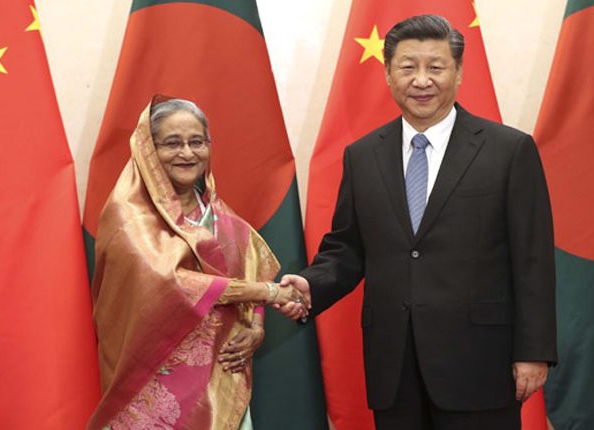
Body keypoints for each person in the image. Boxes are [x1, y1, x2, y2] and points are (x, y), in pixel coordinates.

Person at [278, 15, 557, 430]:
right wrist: (310, 285)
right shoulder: (363, 156)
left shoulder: (508, 150)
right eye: (408, 67)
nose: (421, 80)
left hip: (480, 363)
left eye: (436, 67)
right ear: (388, 74)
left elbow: (533, 259)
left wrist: (534, 351)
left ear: (458, 73)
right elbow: (347, 249)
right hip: (394, 367)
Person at [87, 96, 304, 429]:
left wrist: (255, 329)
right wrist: (269, 292)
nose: (187, 153)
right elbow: (170, 281)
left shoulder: (218, 216)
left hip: (220, 377)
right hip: (153, 377)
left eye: (197, 142)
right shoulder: (128, 215)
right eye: (172, 143)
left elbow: (250, 264)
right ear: (148, 150)